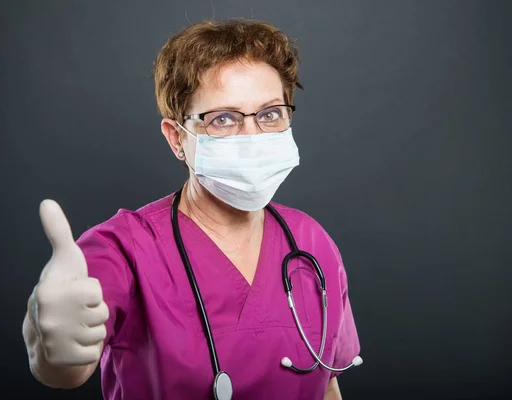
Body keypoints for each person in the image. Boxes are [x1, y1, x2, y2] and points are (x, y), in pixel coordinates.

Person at [22, 18, 362, 400]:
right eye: (223, 119)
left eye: (269, 114)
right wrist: (53, 347)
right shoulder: (123, 249)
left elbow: (328, 384)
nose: (252, 137)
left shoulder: (311, 242)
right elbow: (66, 363)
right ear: (177, 139)